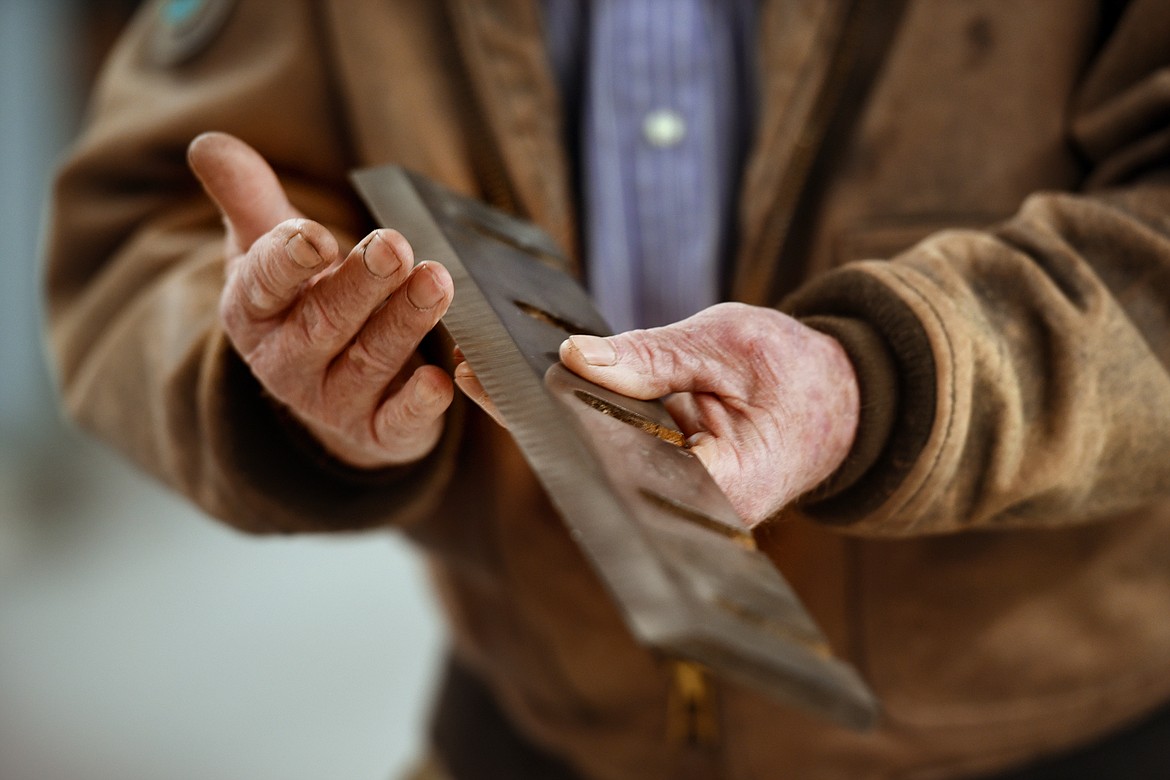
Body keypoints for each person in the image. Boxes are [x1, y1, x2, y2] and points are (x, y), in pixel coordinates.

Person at [43, 0, 1170, 777]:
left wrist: (870, 384)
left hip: (1068, 738)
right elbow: (144, 227)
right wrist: (279, 378)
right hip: (533, 734)